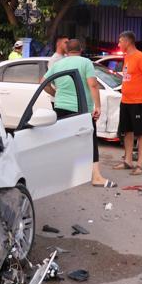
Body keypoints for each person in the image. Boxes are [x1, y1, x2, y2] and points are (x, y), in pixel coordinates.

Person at [43, 39, 111, 187]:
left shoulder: (58, 64)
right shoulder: (85, 63)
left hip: (60, 107)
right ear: (81, 49)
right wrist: (97, 106)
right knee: (90, 141)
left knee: (63, 140)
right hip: (81, 108)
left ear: (66, 51)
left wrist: (56, 94)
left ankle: (61, 175)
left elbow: (42, 82)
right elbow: (92, 84)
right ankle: (96, 177)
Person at [116, 31, 142, 176]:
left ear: (127, 42)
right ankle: (128, 161)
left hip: (139, 102)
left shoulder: (140, 57)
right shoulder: (127, 57)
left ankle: (139, 164)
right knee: (127, 131)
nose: (119, 44)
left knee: (140, 132)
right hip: (126, 100)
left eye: (120, 42)